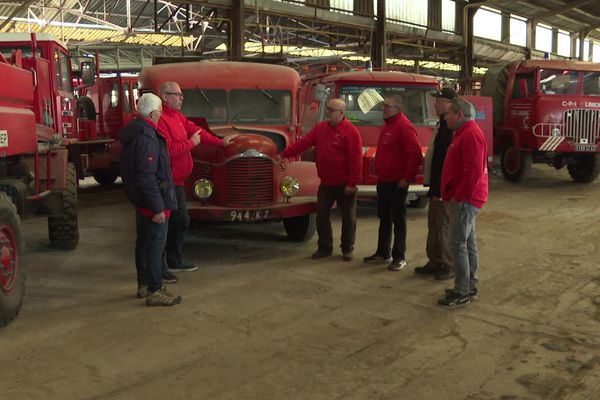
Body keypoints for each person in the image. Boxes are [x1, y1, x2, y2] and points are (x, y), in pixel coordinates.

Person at [157, 81, 235, 275]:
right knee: (163, 225)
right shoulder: (161, 120)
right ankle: (160, 267)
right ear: (165, 97)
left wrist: (220, 142)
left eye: (182, 94)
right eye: (177, 94)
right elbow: (166, 151)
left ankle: (174, 260)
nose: (181, 97)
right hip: (166, 182)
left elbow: (197, 131)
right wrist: (191, 144)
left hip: (178, 182)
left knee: (181, 221)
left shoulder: (178, 117)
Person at [278, 98, 362, 261]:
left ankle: (347, 249)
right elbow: (303, 144)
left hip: (345, 184)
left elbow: (355, 160)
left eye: (331, 110)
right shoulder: (321, 129)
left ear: (341, 113)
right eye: (327, 109)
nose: (328, 113)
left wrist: (352, 183)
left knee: (348, 218)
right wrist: (283, 154)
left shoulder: (351, 132)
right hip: (326, 183)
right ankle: (325, 247)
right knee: (322, 216)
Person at [119, 93, 182, 307]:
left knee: (144, 243)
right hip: (152, 203)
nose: (161, 116)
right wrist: (157, 208)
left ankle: (144, 284)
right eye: (160, 113)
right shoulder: (147, 137)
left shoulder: (135, 133)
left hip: (141, 200)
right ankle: (155, 289)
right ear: (154, 113)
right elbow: (146, 176)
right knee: (155, 245)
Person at [437, 98, 488, 308]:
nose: (444, 117)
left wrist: (459, 198)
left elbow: (473, 172)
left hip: (466, 200)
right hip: (465, 198)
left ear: (459, 115)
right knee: (467, 243)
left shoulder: (470, 135)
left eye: (448, 113)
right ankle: (469, 286)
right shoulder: (464, 133)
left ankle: (462, 292)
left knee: (457, 244)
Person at [364, 95, 423, 271]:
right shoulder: (388, 126)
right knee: (384, 218)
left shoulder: (404, 127)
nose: (384, 109)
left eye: (387, 106)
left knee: (398, 219)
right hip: (384, 180)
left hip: (397, 182)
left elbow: (415, 155)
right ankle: (383, 252)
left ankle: (399, 256)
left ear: (398, 108)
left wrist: (406, 178)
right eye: (383, 106)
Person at [415, 87, 457, 281]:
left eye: (439, 101)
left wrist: (442, 188)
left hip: (445, 187)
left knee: (445, 226)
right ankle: (435, 261)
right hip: (436, 184)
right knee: (434, 224)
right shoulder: (441, 125)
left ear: (449, 103)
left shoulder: (451, 128)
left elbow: (447, 161)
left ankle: (448, 265)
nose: (435, 104)